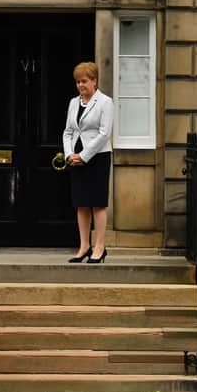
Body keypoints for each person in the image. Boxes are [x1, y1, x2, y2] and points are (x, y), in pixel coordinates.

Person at [62, 61, 113, 264]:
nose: (80, 86)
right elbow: (68, 131)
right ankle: (84, 246)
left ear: (94, 81)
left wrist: (84, 156)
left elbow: (104, 134)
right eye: (77, 82)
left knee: (97, 204)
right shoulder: (74, 103)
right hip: (75, 158)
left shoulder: (105, 102)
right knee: (81, 204)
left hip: (97, 157)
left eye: (84, 81)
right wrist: (69, 155)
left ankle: (99, 247)